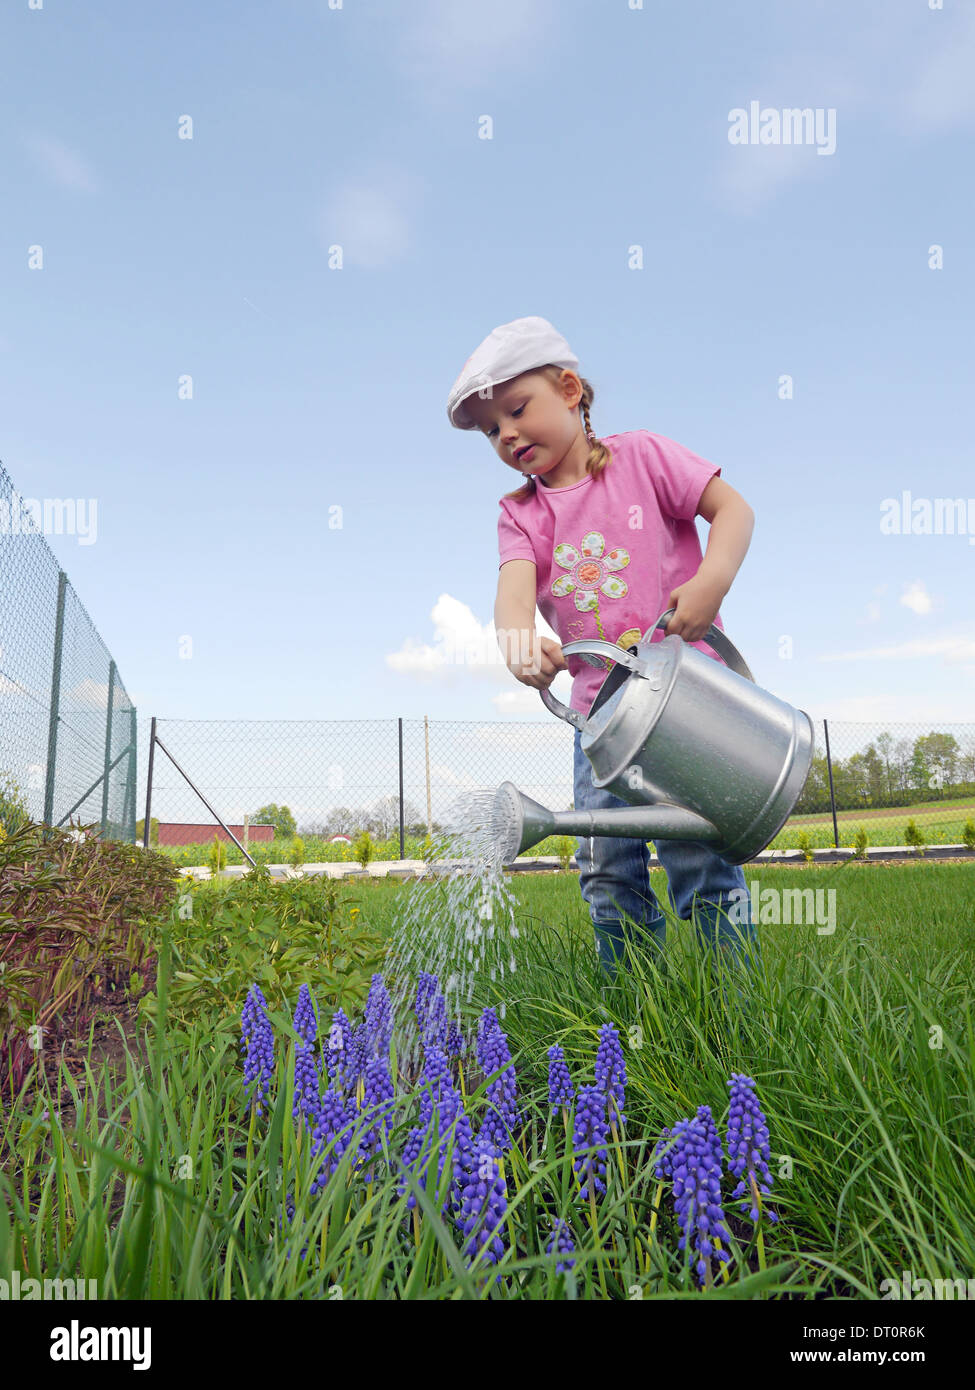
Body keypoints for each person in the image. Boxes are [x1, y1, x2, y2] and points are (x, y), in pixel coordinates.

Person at [447, 315, 760, 978]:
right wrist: (518, 640)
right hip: (600, 722)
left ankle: (737, 1019)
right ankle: (633, 1017)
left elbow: (732, 510)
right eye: (489, 430)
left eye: (515, 409)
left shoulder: (642, 458)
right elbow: (512, 589)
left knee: (700, 859)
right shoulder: (521, 514)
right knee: (606, 869)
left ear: (568, 388)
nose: (505, 435)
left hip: (691, 705)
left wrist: (711, 580)